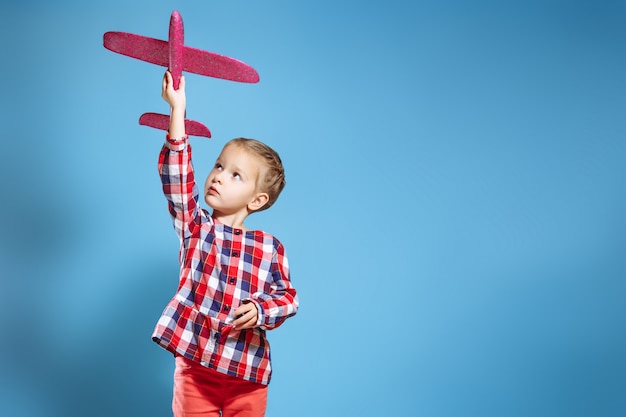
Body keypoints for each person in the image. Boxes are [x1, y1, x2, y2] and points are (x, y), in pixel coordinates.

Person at [152, 71, 299, 417]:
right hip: (195, 370)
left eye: (236, 175)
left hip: (247, 374)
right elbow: (177, 179)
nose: (218, 175)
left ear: (257, 200)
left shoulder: (268, 247)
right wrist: (177, 109)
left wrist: (262, 310)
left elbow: (288, 298)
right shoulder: (195, 226)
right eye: (219, 165)